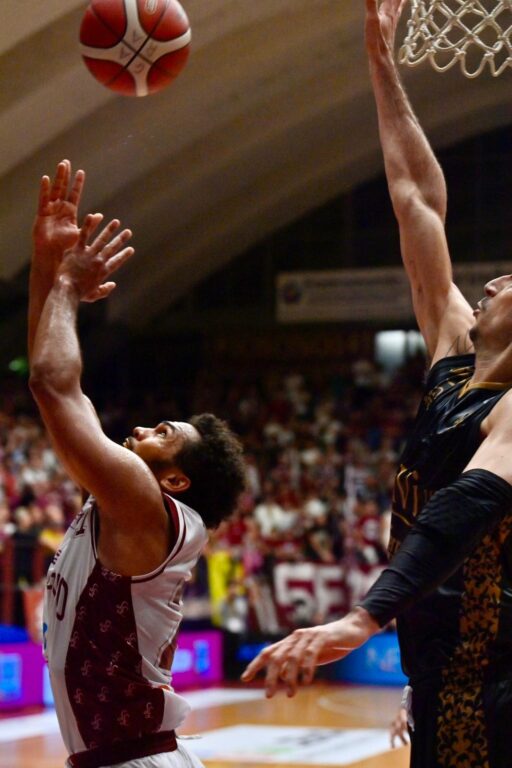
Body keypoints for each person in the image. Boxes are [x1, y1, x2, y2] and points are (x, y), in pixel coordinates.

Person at [242, 2, 512, 766]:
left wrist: (364, 618)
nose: (491, 282)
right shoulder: (454, 355)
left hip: (490, 683)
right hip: (441, 677)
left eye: (511, 282)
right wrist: (381, 63)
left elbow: (466, 505)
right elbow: (417, 200)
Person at [29, 160, 246, 768]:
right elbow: (55, 387)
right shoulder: (123, 500)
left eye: (162, 433)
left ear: (175, 479)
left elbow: (50, 383)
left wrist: (66, 285)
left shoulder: (145, 503)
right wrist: (47, 264)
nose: (142, 429)